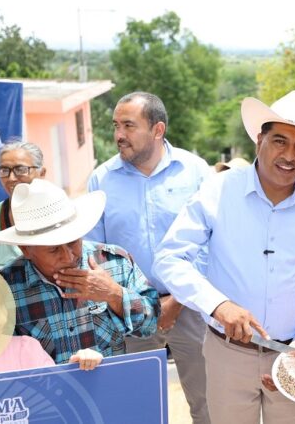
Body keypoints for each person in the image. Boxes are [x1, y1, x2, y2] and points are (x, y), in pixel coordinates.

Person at [153, 90, 295, 424]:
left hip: (292, 356)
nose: (290, 156)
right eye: (280, 141)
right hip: (227, 353)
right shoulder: (219, 190)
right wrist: (218, 305)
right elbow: (169, 258)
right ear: (260, 139)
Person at [86, 91, 212, 424]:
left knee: (209, 405)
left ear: (158, 129)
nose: (119, 135)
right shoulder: (101, 179)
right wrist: (132, 303)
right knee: (136, 410)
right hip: (128, 313)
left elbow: (212, 244)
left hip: (192, 308)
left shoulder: (195, 172)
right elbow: (94, 254)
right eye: (116, 125)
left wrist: (177, 301)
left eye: (128, 125)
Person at [0, 179, 160, 364]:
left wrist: (114, 294)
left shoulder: (115, 262)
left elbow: (152, 325)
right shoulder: (6, 288)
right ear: (25, 250)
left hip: (112, 381)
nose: (68, 256)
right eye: (53, 250)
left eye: (73, 242)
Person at [0, 263, 103, 381]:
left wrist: (78, 370)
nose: (1, 319)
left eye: (0, 306)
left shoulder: (25, 351)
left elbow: (59, 401)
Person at [0, 141, 47, 269]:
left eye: (21, 169)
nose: (11, 178)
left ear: (42, 173)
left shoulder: (61, 212)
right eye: (4, 170)